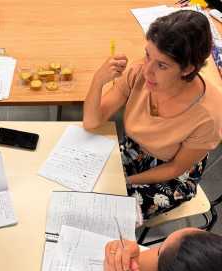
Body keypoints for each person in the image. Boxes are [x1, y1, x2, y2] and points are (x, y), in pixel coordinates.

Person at [83, 10, 222, 220]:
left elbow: (176, 167)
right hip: (135, 150)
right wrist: (98, 80)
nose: (147, 70)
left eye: (162, 65)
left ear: (187, 69)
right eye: (148, 54)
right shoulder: (139, 73)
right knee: (85, 187)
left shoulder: (209, 114)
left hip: (171, 175)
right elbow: (92, 122)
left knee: (107, 214)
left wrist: (126, 181)